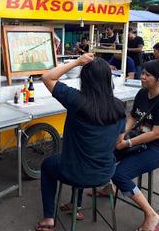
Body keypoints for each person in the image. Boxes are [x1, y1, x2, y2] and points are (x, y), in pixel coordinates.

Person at [35, 54, 126, 230]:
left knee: (48, 165)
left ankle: (48, 218)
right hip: (106, 173)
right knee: (81, 156)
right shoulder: (118, 106)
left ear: (84, 79)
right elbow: (119, 140)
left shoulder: (76, 100)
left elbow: (47, 77)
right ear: (108, 79)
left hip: (76, 170)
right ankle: (74, 206)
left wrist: (77, 61)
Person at [112, 59, 159, 231]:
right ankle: (108, 187)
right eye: (143, 73)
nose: (142, 77)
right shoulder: (143, 93)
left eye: (147, 75)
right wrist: (122, 133)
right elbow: (133, 117)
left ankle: (151, 215)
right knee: (106, 154)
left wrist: (127, 143)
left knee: (120, 174)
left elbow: (158, 133)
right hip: (138, 139)